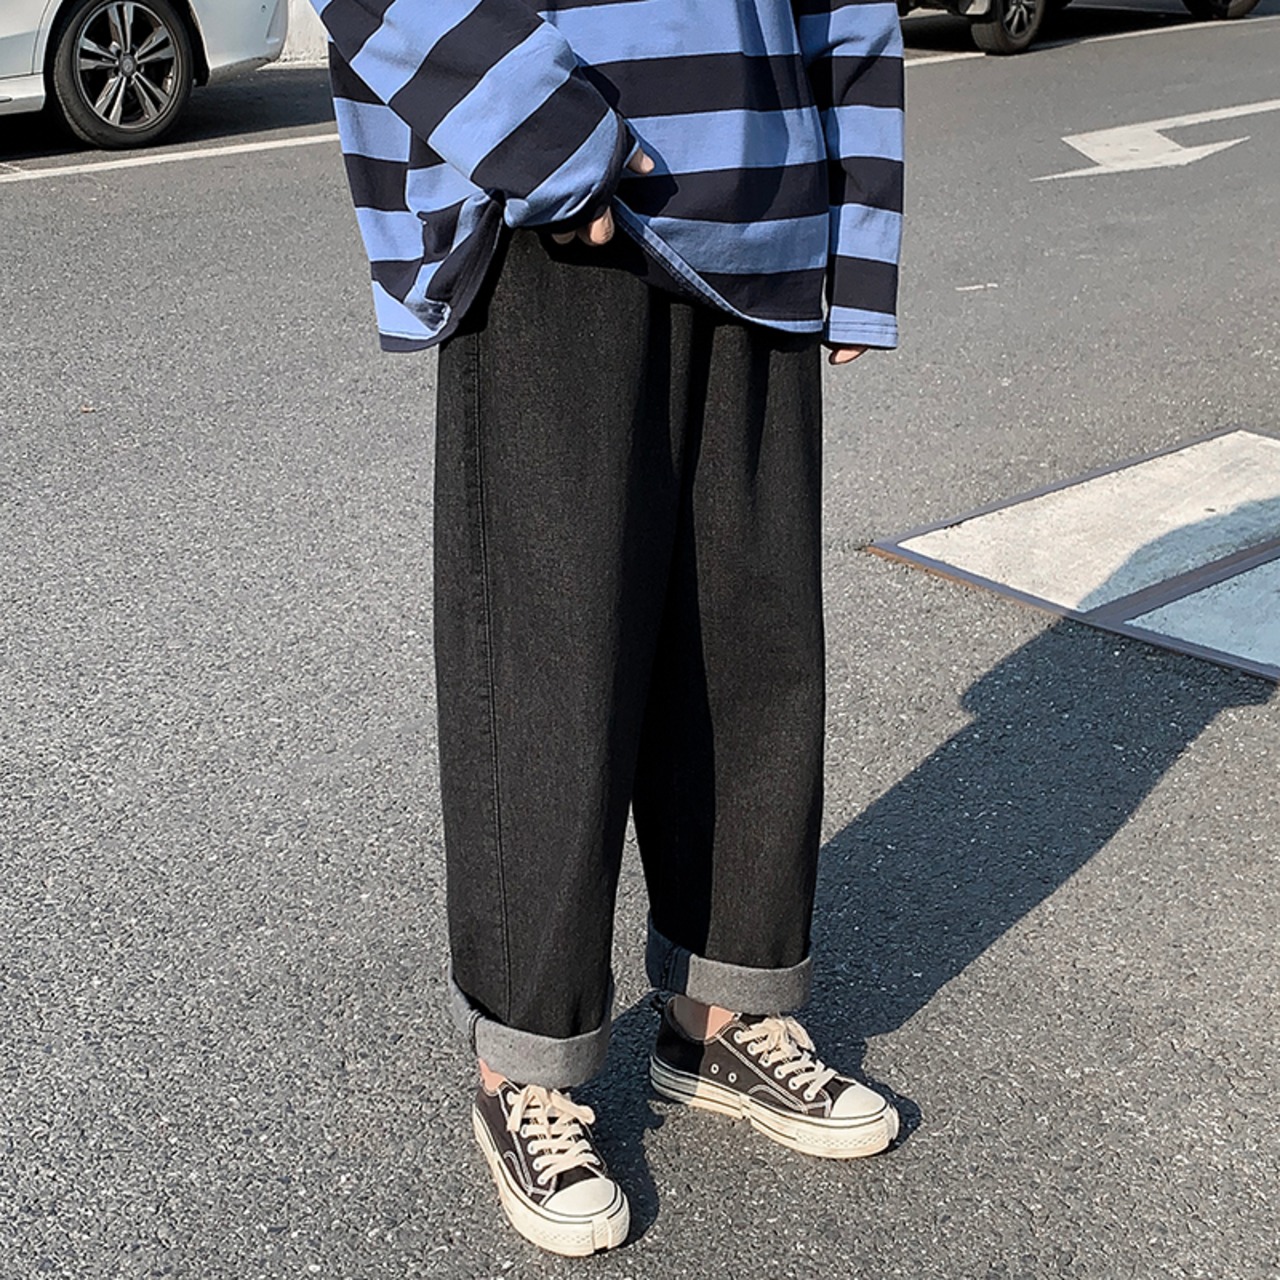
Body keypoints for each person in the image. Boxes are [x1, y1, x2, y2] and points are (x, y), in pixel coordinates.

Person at [311, 0, 905, 1256]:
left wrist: (853, 224)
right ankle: (524, 1063)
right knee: (549, 659)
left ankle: (721, 1013)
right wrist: (541, 130)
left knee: (748, 641)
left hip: (759, 191)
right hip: (549, 201)